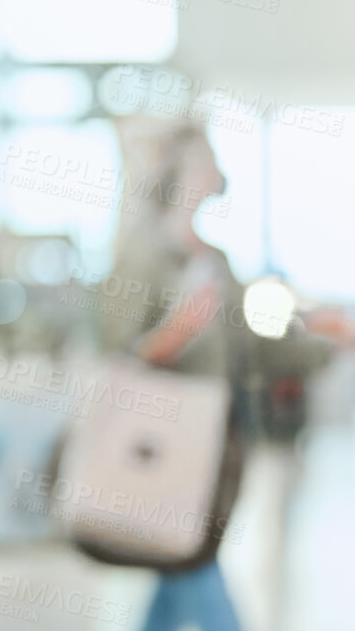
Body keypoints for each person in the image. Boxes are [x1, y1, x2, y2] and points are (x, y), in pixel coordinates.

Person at [102, 116, 246, 631]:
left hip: (216, 437)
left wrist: (330, 340)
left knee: (180, 561)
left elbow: (251, 344)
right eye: (205, 160)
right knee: (193, 558)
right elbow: (118, 348)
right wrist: (178, 331)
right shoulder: (145, 255)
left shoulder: (216, 259)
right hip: (164, 437)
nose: (215, 171)